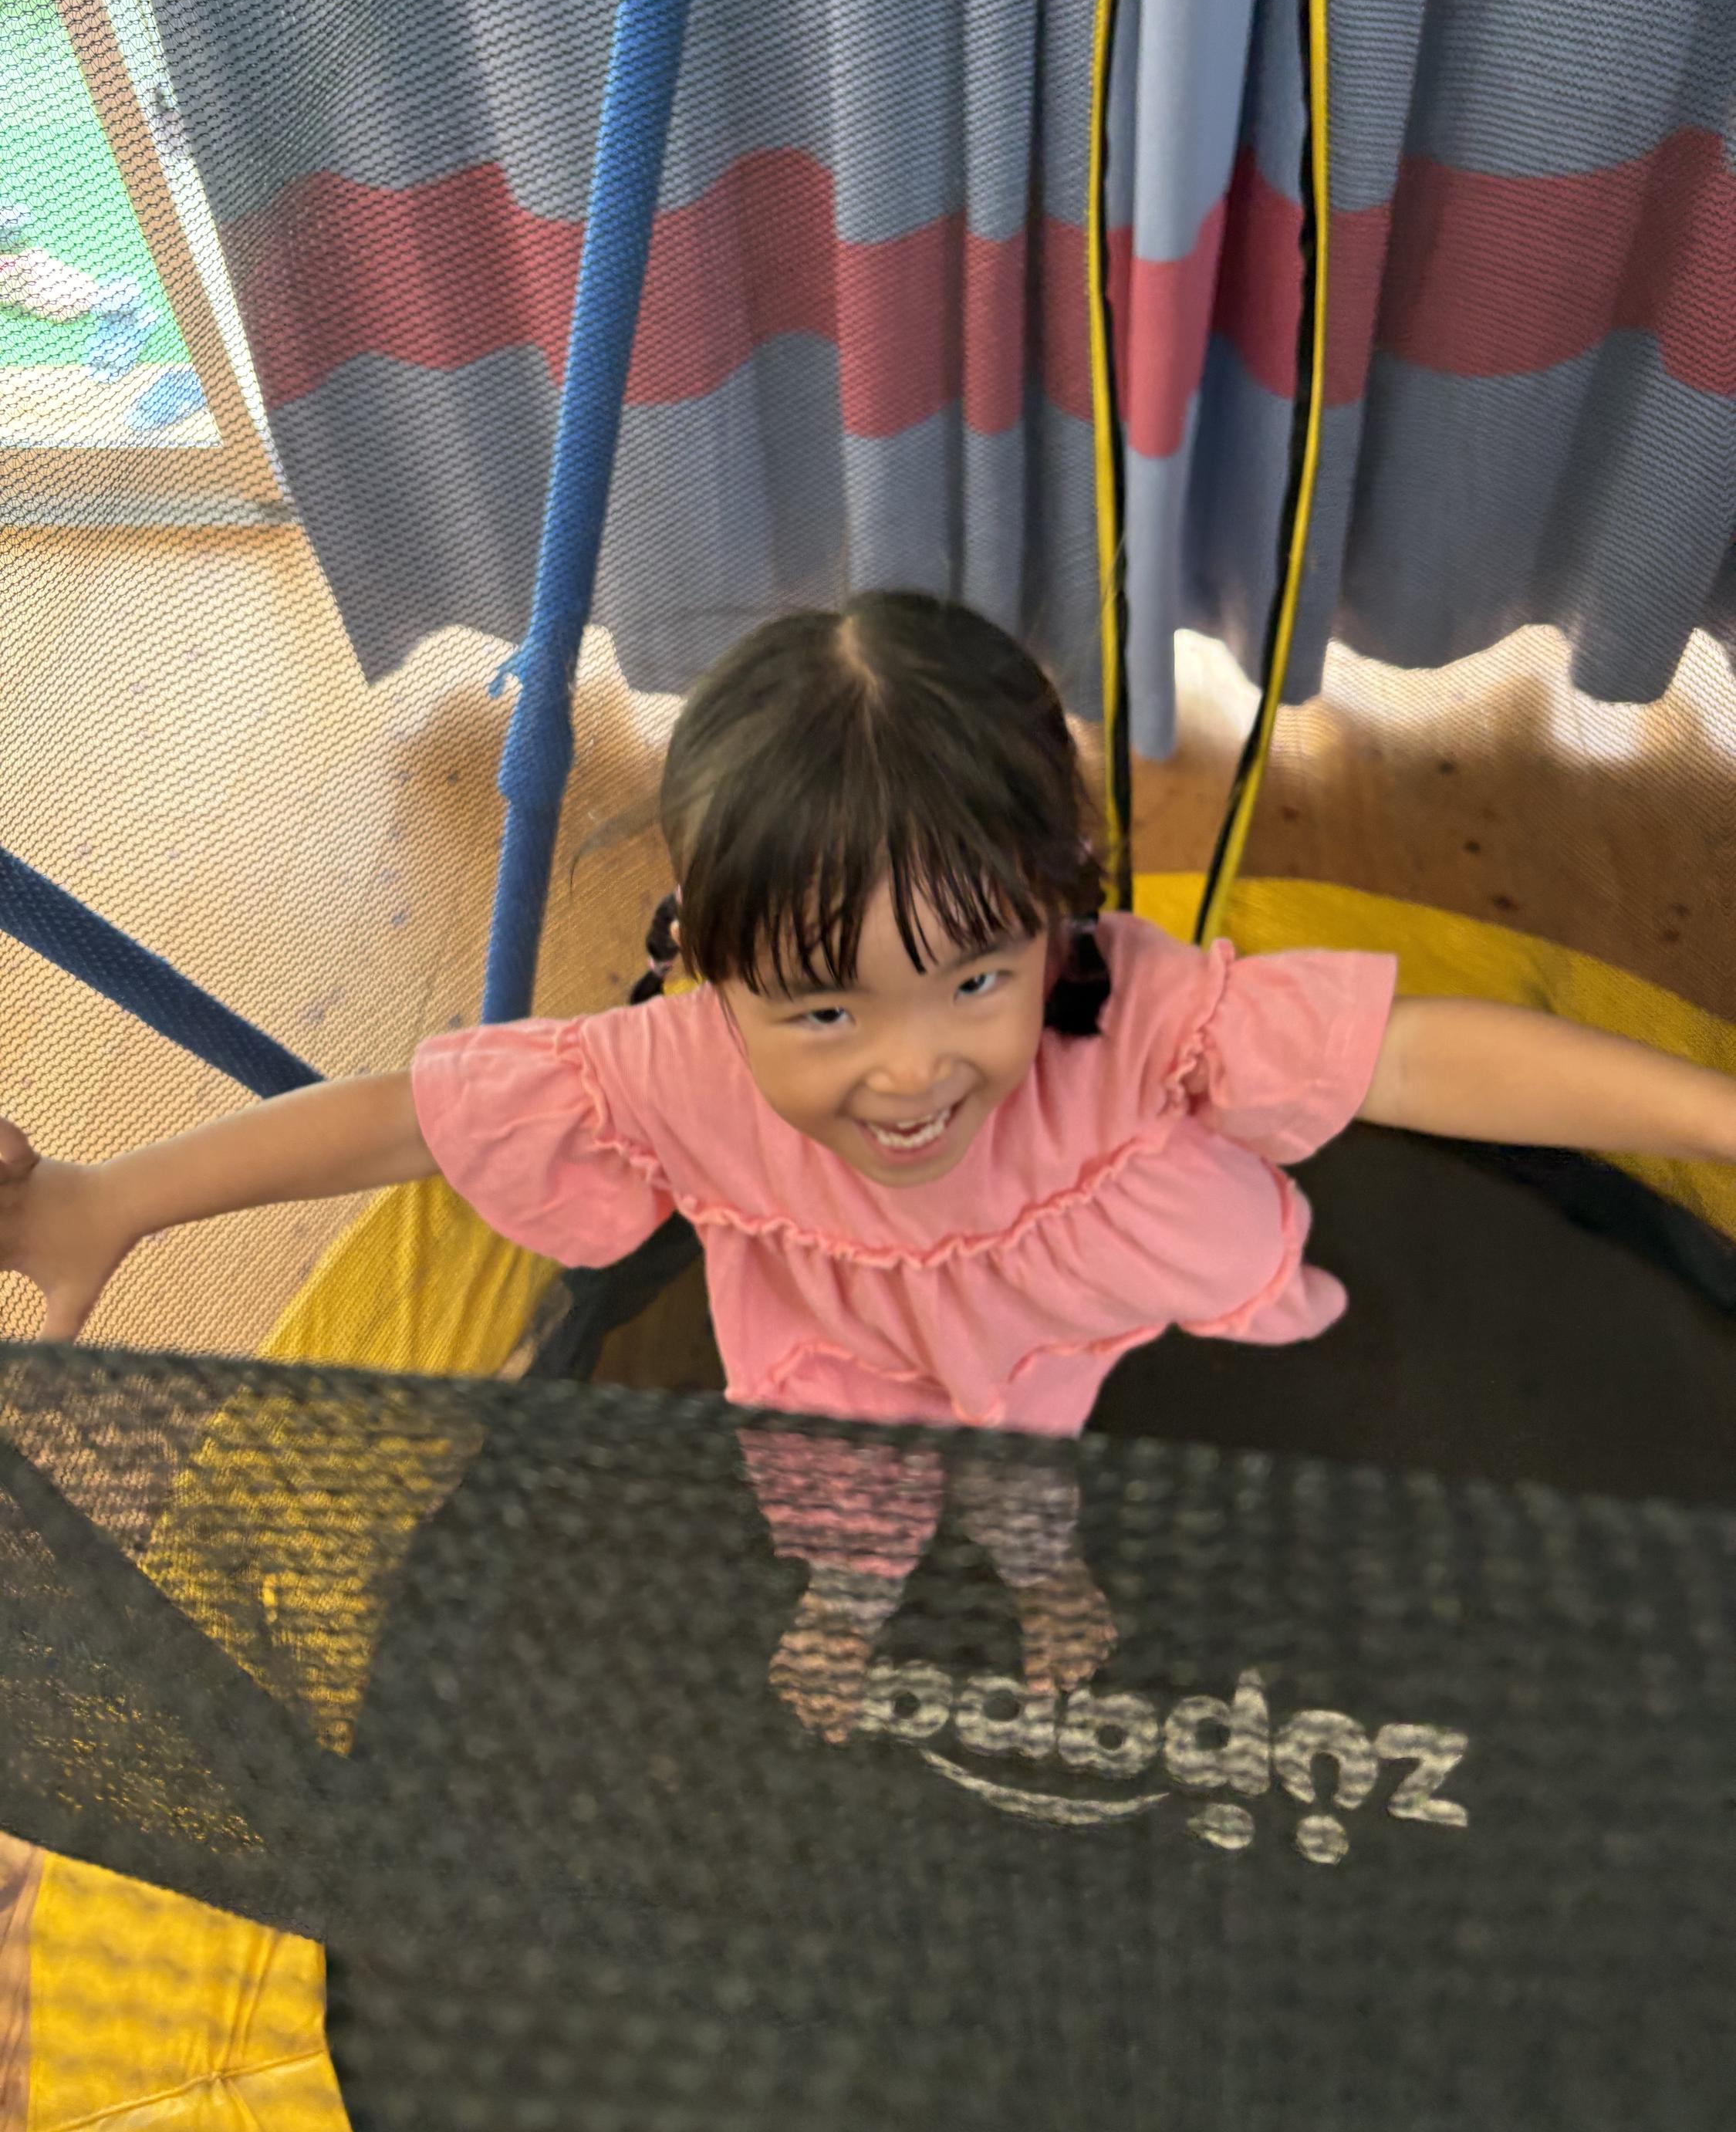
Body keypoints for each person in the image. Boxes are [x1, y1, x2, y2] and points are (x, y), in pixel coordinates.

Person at [7, 589, 1736, 1723]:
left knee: (1032, 1473)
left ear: (1056, 917)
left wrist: (1713, 1118)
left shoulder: (1123, 1007)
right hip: (836, 1348)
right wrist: (115, 1198)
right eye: (824, 1011)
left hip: (1034, 1322)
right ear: (709, 964)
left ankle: (1048, 1589)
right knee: (842, 1500)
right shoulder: (677, 1063)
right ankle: (852, 1599)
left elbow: (1408, 1050)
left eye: (975, 980)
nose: (912, 1074)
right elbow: (409, 1112)